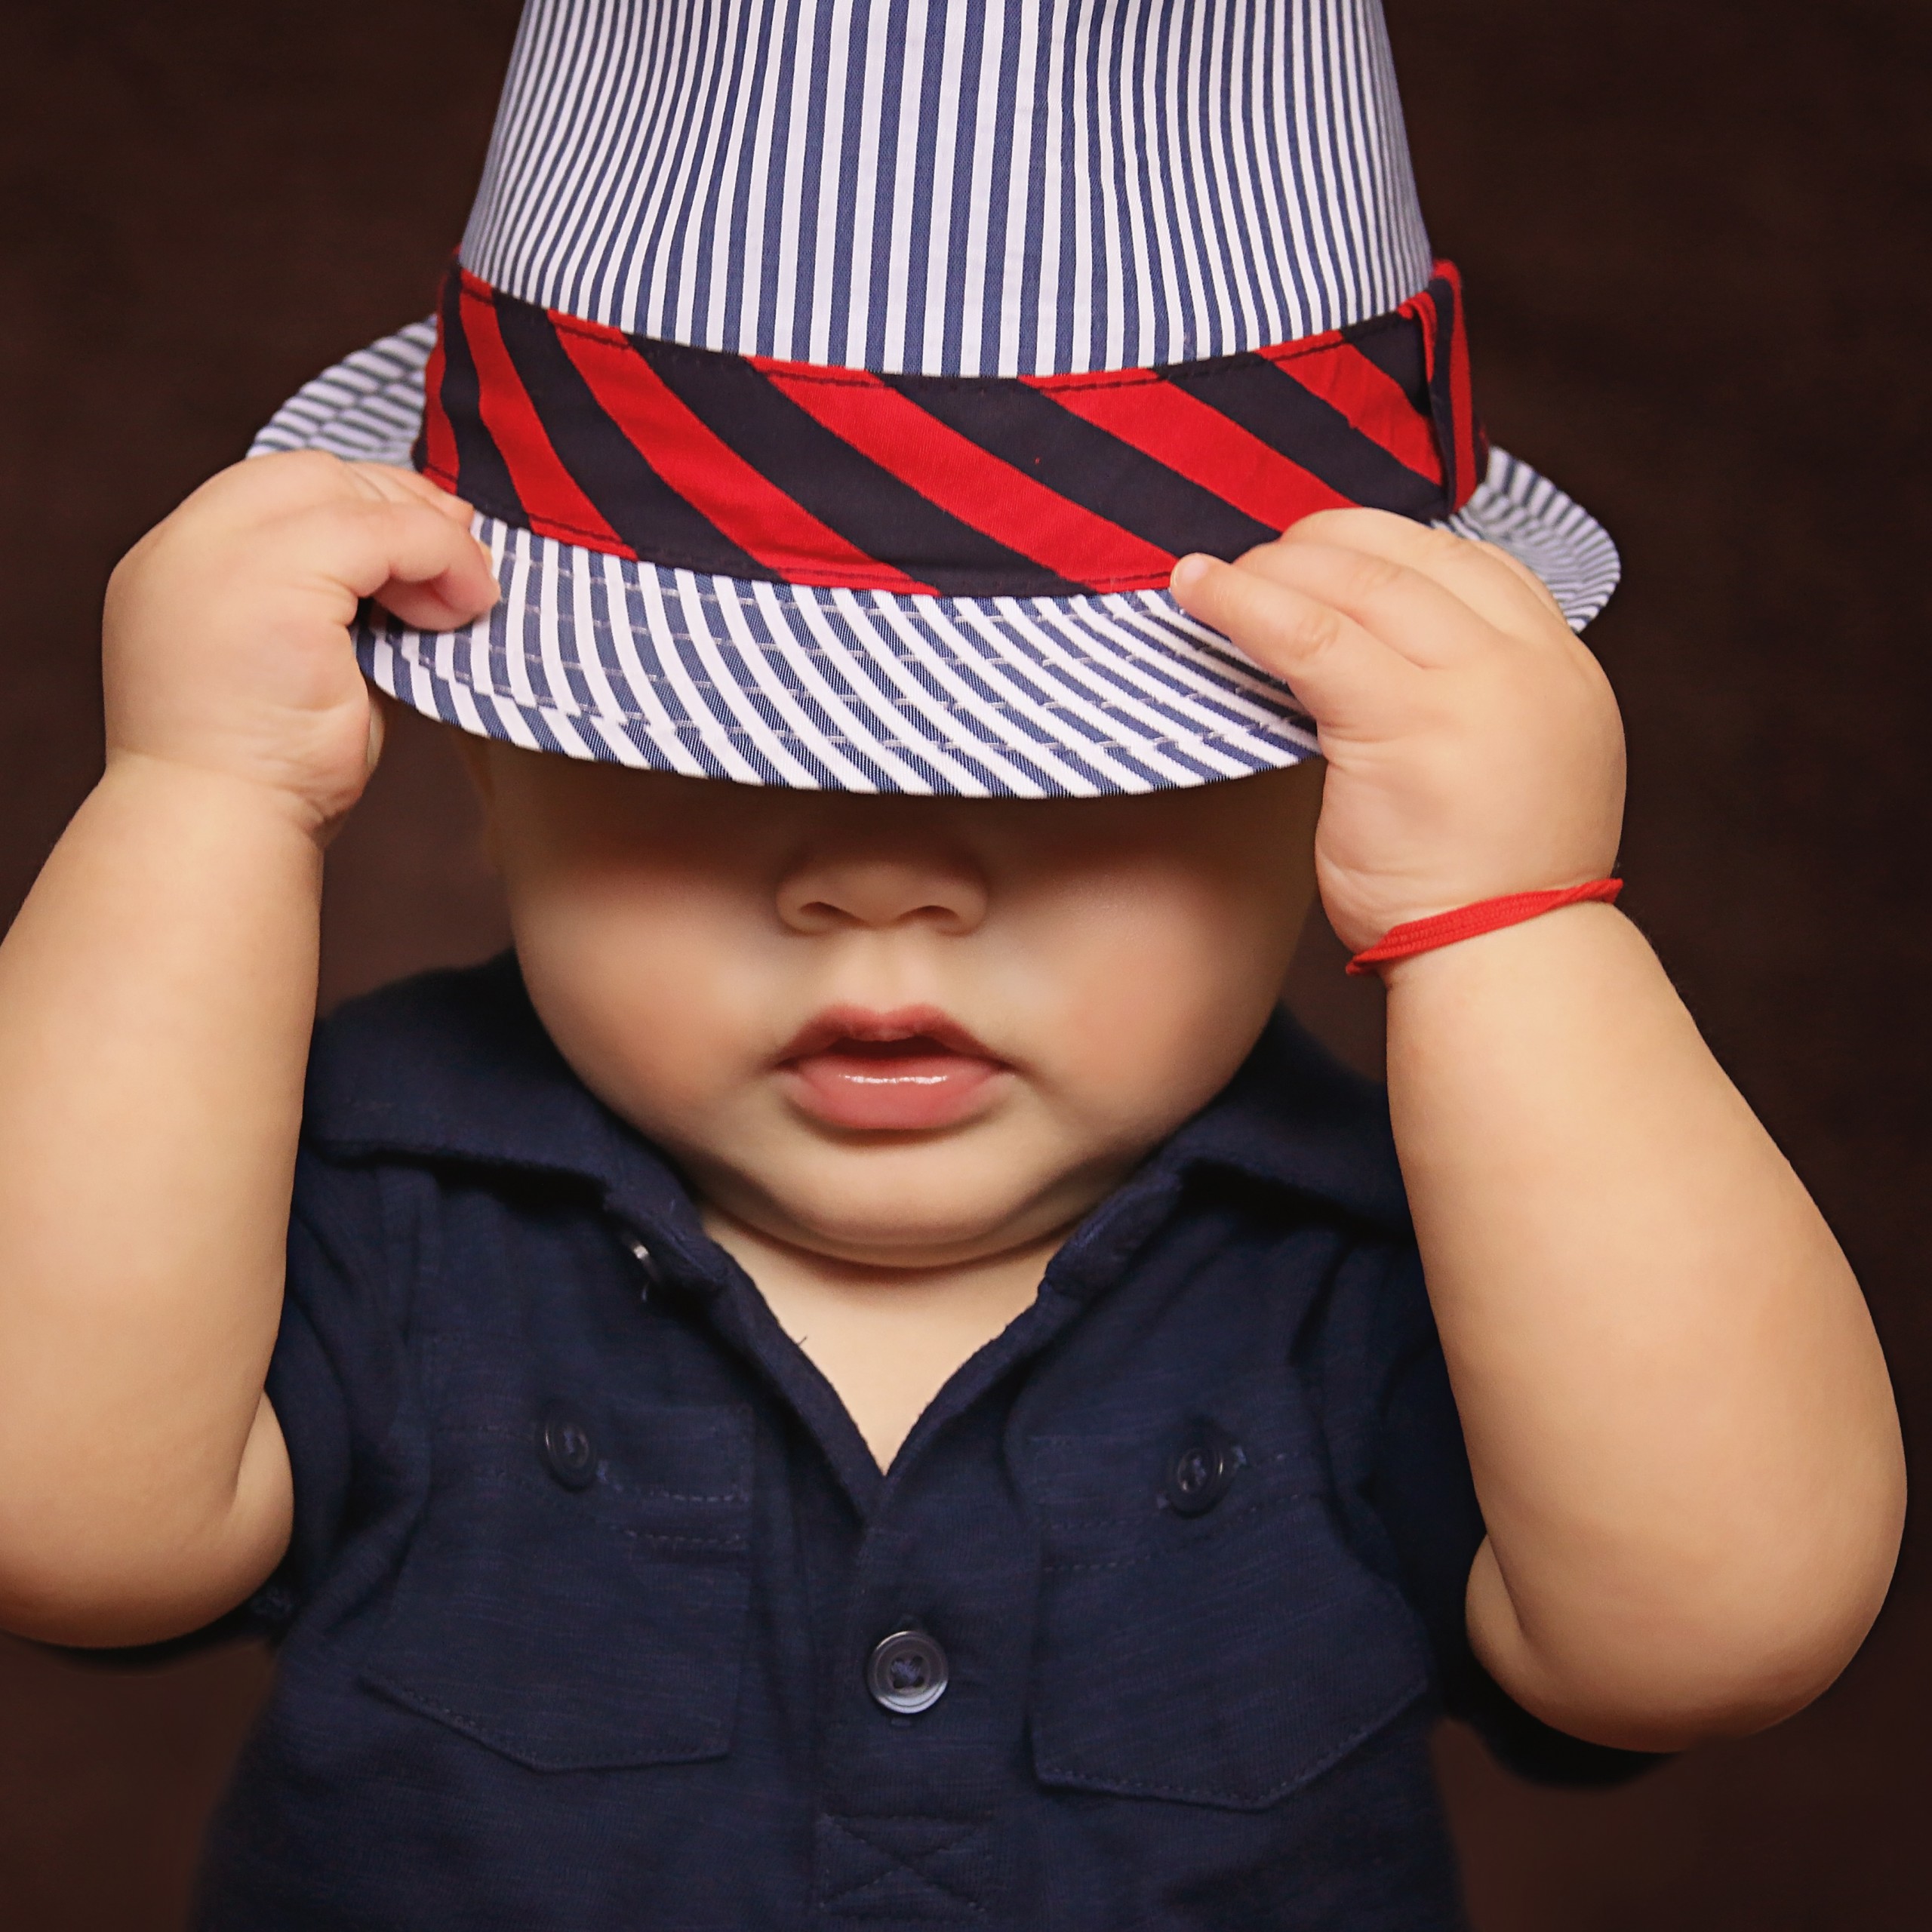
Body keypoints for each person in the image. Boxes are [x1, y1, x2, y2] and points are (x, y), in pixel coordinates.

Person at [0, 2, 1904, 1926]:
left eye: (1074, 777)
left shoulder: (1416, 1264)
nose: (877, 880)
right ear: (493, 767)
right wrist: (196, 807)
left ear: (1317, 794)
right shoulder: (369, 1204)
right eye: (705, 747)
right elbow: (55, 1508)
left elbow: (1718, 1623)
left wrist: (1516, 929)